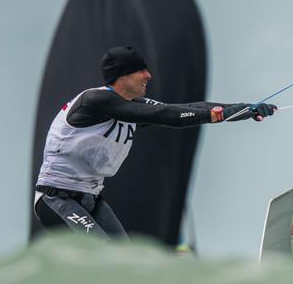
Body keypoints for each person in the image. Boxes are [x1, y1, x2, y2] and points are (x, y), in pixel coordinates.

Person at [33, 45, 276, 238]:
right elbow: (165, 116)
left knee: (129, 263)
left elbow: (184, 109)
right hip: (56, 198)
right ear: (122, 76)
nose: (148, 75)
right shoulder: (94, 101)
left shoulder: (131, 108)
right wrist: (219, 115)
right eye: (141, 70)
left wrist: (242, 110)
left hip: (91, 198)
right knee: (104, 257)